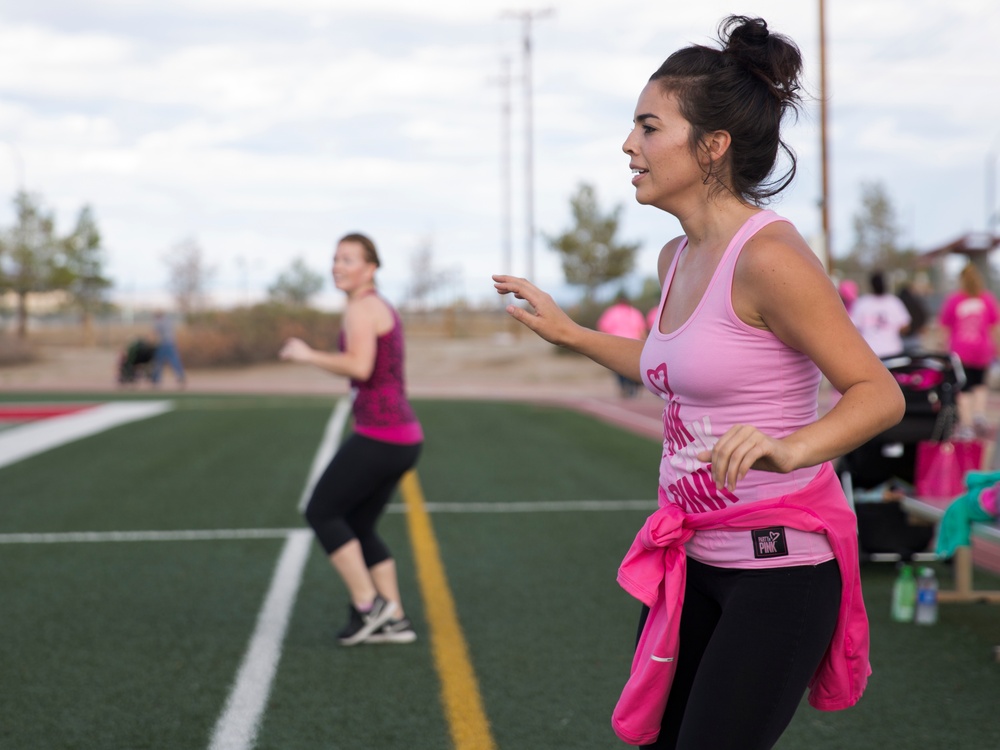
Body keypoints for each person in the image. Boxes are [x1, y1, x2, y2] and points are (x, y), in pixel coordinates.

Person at [493, 15, 904, 750]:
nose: (629, 146)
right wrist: (571, 334)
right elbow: (670, 369)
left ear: (712, 146)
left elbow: (879, 392)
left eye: (649, 128)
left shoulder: (769, 257)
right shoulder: (675, 258)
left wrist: (792, 447)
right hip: (693, 560)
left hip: (781, 573)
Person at [280, 232, 423, 645]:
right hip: (399, 436)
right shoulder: (374, 305)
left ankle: (370, 607)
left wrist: (308, 355)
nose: (338, 266)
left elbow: (360, 367)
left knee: (321, 512)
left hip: (383, 436)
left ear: (371, 268)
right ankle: (393, 619)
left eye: (348, 259)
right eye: (335, 258)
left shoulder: (362, 308)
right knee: (358, 523)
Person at [939, 262, 1000, 439]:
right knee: (980, 384)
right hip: (982, 348)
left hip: (960, 349)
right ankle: (979, 415)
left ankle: (966, 425)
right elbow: (994, 327)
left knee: (963, 388)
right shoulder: (986, 299)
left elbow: (945, 327)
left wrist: (943, 349)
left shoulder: (955, 300)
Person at [849, 271, 911, 358]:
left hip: (870, 353)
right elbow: (905, 327)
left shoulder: (862, 303)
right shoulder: (893, 302)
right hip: (892, 352)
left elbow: (853, 328)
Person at [596, 293, 648, 397]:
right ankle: (632, 386)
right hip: (633, 343)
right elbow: (642, 330)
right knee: (633, 366)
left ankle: (624, 386)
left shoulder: (612, 312)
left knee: (618, 367)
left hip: (615, 344)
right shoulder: (634, 312)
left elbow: (602, 327)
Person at [151, 310, 186, 387]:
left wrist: (151, 342)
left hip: (164, 344)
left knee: (158, 361)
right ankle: (180, 376)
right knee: (175, 361)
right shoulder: (168, 321)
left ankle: (156, 379)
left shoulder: (159, 322)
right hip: (171, 343)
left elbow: (154, 333)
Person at [896, 280, 929, 352]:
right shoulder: (916, 302)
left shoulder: (897, 302)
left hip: (900, 340)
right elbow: (923, 315)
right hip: (914, 338)